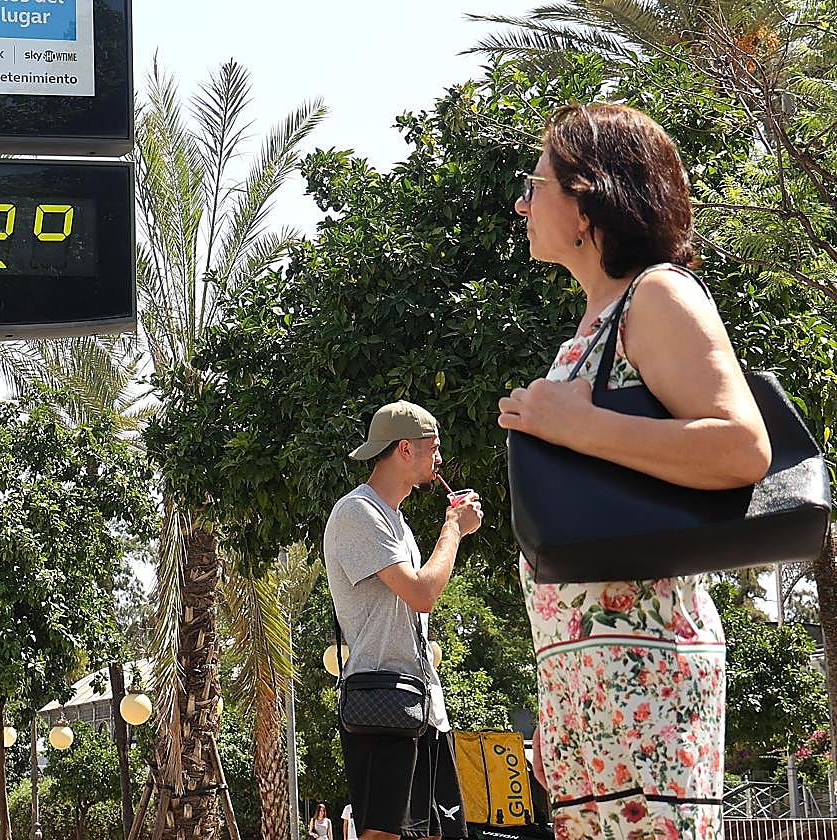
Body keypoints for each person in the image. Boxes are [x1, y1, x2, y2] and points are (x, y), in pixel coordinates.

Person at [498, 102, 772, 840]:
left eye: (536, 184)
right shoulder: (592, 324)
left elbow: (741, 447)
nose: (523, 203)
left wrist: (578, 425)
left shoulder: (658, 295)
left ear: (589, 201)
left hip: (646, 676)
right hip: (587, 686)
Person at [325, 400, 483, 840]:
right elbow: (422, 593)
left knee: (439, 832)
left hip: (424, 705)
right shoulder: (358, 512)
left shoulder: (396, 521)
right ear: (404, 450)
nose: (440, 460)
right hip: (382, 699)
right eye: (433, 448)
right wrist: (453, 527)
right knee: (383, 835)